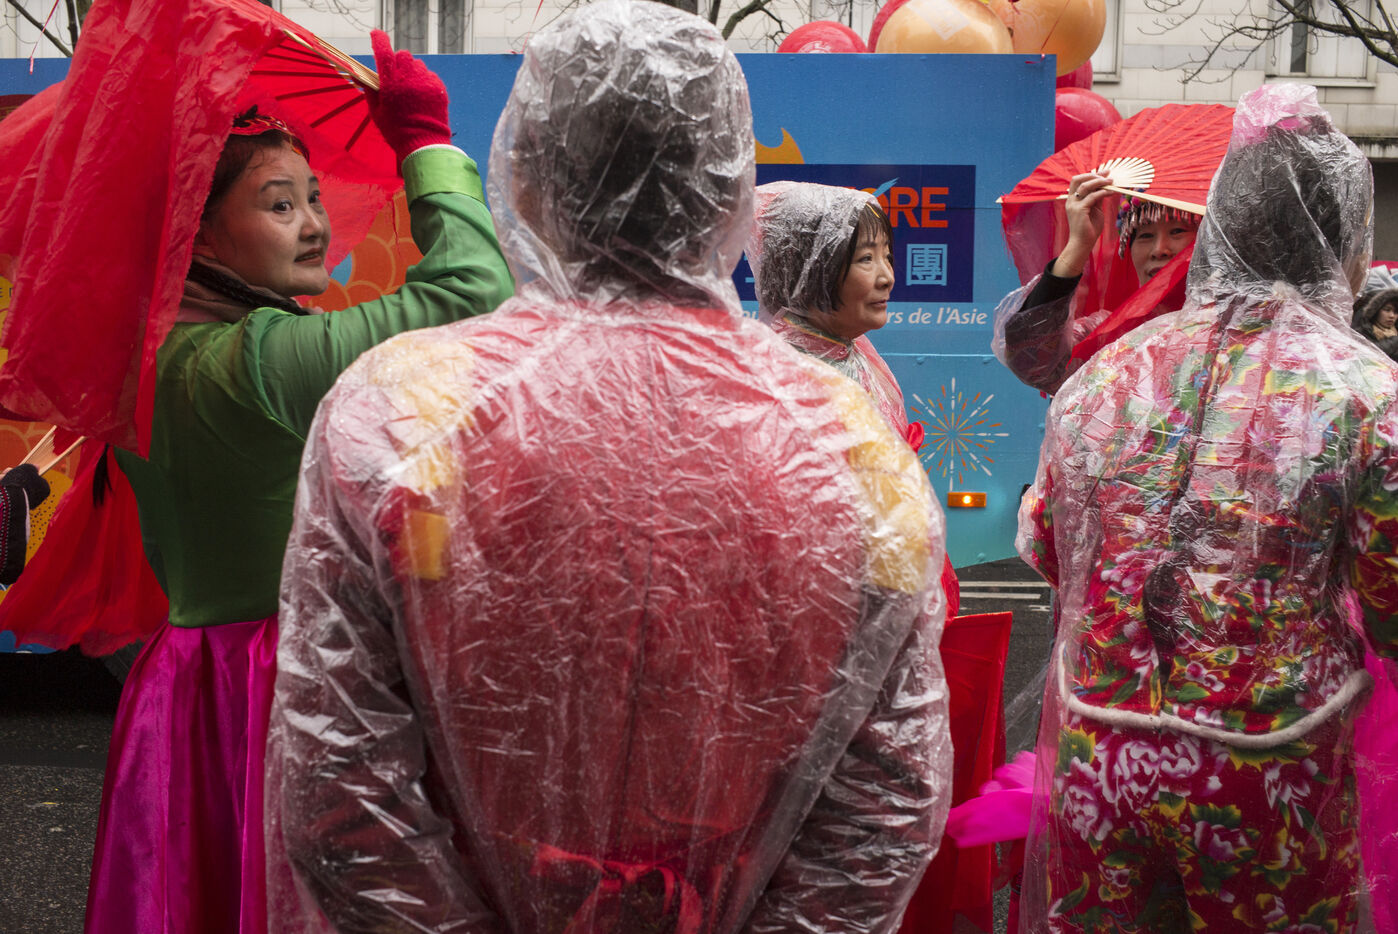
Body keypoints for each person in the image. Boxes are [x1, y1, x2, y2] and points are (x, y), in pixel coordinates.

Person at [264, 3, 952, 933]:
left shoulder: (394, 415)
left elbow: (338, 787)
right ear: (730, 189)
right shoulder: (846, 441)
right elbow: (887, 805)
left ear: (523, 177)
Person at [84, 33, 513, 934]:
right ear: (197, 235)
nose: (315, 224)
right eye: (281, 205)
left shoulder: (141, 362)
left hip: (186, 691)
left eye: (314, 197)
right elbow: (473, 297)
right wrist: (428, 146)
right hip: (287, 692)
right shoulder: (255, 361)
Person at [1017, 83, 1398, 933]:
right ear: (1341, 238)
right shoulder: (1365, 392)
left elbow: (1050, 548)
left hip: (1100, 755)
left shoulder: (1107, 376)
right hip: (1268, 767)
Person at [747, 179, 958, 616]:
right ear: (809, 268)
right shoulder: (786, 382)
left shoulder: (853, 351)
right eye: (866, 258)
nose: (887, 276)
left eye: (887, 256)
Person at [993, 171, 1200, 395]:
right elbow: (1034, 362)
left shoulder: (1228, 329)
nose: (1159, 250)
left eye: (1177, 231)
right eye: (1145, 236)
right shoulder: (1110, 335)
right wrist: (1078, 244)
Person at [1355, 287, 1398, 360]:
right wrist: (1395, 340)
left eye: (1396, 312)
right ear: (1376, 311)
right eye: (1387, 310)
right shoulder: (1361, 332)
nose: (1392, 316)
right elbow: (1370, 352)